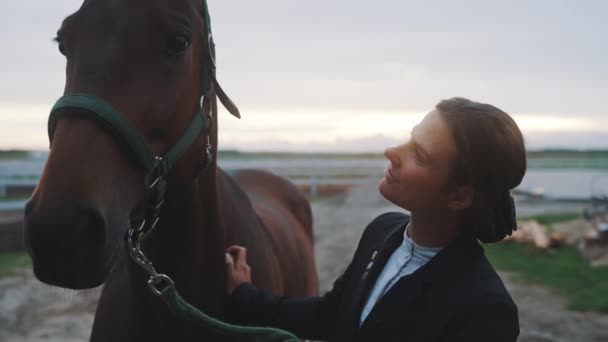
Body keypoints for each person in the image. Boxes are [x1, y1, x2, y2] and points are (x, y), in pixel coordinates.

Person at [224, 97, 524, 342]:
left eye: (419, 155)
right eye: (409, 140)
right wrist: (245, 296)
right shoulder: (381, 232)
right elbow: (332, 315)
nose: (391, 152)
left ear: (459, 197)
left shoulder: (485, 312)